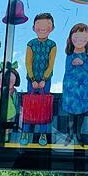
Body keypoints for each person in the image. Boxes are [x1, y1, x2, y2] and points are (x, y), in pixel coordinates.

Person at [21, 13, 56, 146]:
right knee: (29, 106)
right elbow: (28, 62)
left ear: (52, 28)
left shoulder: (52, 45)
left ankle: (43, 134)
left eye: (47, 25)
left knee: (44, 107)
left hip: (45, 81)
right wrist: (32, 79)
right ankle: (25, 132)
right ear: (33, 28)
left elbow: (51, 64)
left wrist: (44, 79)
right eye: (39, 25)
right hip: (32, 80)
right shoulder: (31, 44)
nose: (42, 28)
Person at [62, 23, 88, 146]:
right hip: (71, 88)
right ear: (71, 38)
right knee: (70, 113)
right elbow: (68, 68)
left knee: (81, 113)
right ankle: (70, 134)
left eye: (83, 38)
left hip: (83, 89)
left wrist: (81, 62)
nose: (80, 41)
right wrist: (73, 62)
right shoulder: (70, 54)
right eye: (76, 37)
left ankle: (78, 133)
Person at [0, 63, 20, 143]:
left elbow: (15, 101)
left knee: (7, 122)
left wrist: (14, 107)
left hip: (9, 109)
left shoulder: (13, 91)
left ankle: (6, 134)